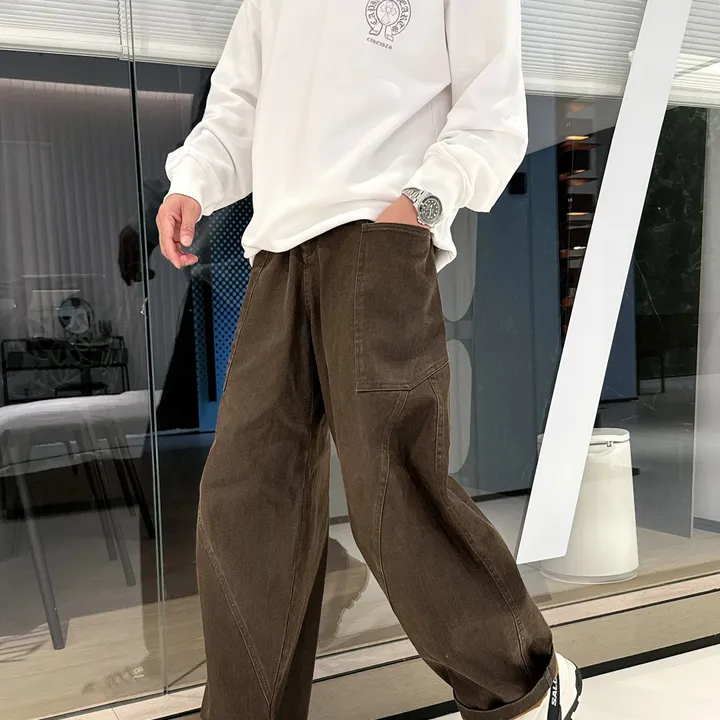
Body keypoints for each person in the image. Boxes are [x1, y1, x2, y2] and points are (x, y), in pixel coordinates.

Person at [157, 1, 582, 719]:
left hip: (376, 230)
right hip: (277, 248)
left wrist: (422, 203)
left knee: (392, 490)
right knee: (244, 501)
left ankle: (524, 686)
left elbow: (491, 105)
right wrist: (194, 179)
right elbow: (241, 99)